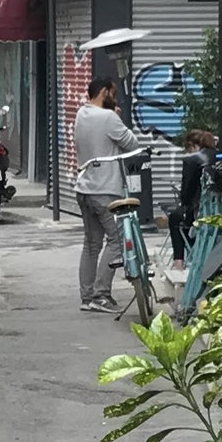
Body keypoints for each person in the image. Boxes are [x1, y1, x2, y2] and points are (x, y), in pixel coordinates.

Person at [71, 72, 143, 309]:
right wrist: (116, 117)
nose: (115, 98)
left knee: (91, 244)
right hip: (105, 190)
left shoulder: (81, 114)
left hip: (84, 188)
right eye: (112, 93)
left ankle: (86, 296)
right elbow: (132, 144)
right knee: (117, 240)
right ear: (104, 93)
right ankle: (101, 294)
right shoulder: (109, 118)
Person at [168, 124, 218, 266]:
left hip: (199, 211)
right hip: (220, 209)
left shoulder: (191, 160)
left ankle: (179, 262)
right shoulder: (220, 156)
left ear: (193, 145)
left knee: (175, 218)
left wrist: (182, 202)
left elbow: (186, 192)